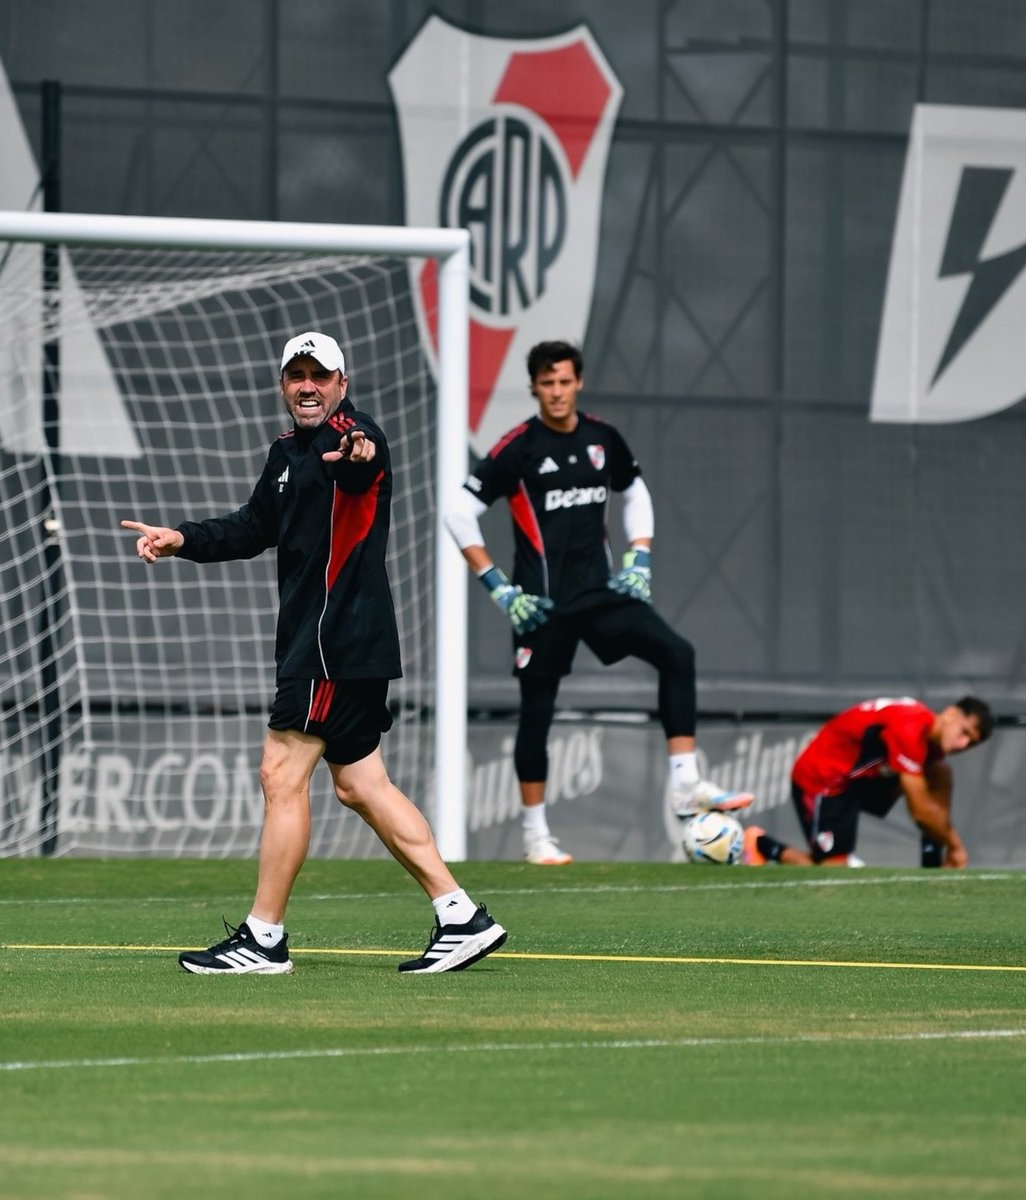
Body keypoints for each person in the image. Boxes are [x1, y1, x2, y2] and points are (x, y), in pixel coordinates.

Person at [121, 331, 507, 974]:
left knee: (280, 773)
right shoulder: (284, 454)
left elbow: (363, 459)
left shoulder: (358, 436)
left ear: (341, 384)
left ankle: (263, 938)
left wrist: (353, 450)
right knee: (360, 784)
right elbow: (252, 527)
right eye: (296, 375)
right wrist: (180, 537)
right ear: (282, 385)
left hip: (333, 643)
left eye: (320, 375)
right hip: (336, 643)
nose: (308, 385)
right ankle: (459, 914)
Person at [443, 339, 752, 866]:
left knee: (678, 654)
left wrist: (640, 557)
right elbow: (457, 511)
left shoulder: (602, 438)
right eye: (547, 383)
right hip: (540, 605)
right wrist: (497, 584)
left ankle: (685, 784)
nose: (557, 391)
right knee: (536, 712)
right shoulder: (518, 447)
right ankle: (536, 835)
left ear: (578, 382)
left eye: (565, 381)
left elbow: (636, 493)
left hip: (600, 593)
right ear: (534, 387)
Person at [744, 695, 994, 867]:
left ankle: (933, 865)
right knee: (832, 872)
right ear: (950, 713)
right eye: (964, 732)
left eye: (971, 743)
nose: (962, 744)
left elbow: (931, 805)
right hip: (823, 780)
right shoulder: (910, 726)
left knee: (940, 771)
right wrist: (957, 847)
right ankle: (760, 845)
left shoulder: (932, 743)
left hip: (859, 779)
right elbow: (920, 812)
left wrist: (947, 842)